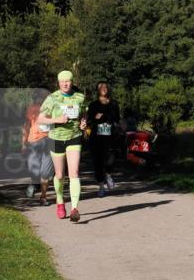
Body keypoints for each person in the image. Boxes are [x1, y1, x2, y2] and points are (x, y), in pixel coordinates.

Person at [37, 70, 88, 222]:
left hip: (74, 137)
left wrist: (84, 122)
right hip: (56, 139)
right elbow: (40, 119)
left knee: (74, 173)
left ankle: (74, 209)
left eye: (68, 81)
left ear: (72, 82)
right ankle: (60, 201)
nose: (65, 84)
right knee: (59, 175)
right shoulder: (52, 98)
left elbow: (84, 113)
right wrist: (56, 120)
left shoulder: (80, 97)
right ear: (58, 83)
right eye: (62, 81)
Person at [86, 81, 121, 197]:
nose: (103, 88)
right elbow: (88, 121)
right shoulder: (93, 105)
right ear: (97, 90)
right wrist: (95, 118)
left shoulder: (114, 104)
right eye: (101, 87)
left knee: (111, 158)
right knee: (98, 162)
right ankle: (101, 186)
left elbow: (117, 119)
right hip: (96, 137)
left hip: (110, 136)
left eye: (105, 86)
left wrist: (119, 126)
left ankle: (108, 174)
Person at [22, 89, 54, 205]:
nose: (44, 97)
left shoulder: (53, 108)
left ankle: (43, 197)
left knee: (46, 171)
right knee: (34, 170)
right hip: (34, 141)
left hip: (50, 141)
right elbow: (26, 125)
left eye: (46, 95)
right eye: (42, 95)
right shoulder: (32, 108)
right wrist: (23, 143)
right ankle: (34, 184)